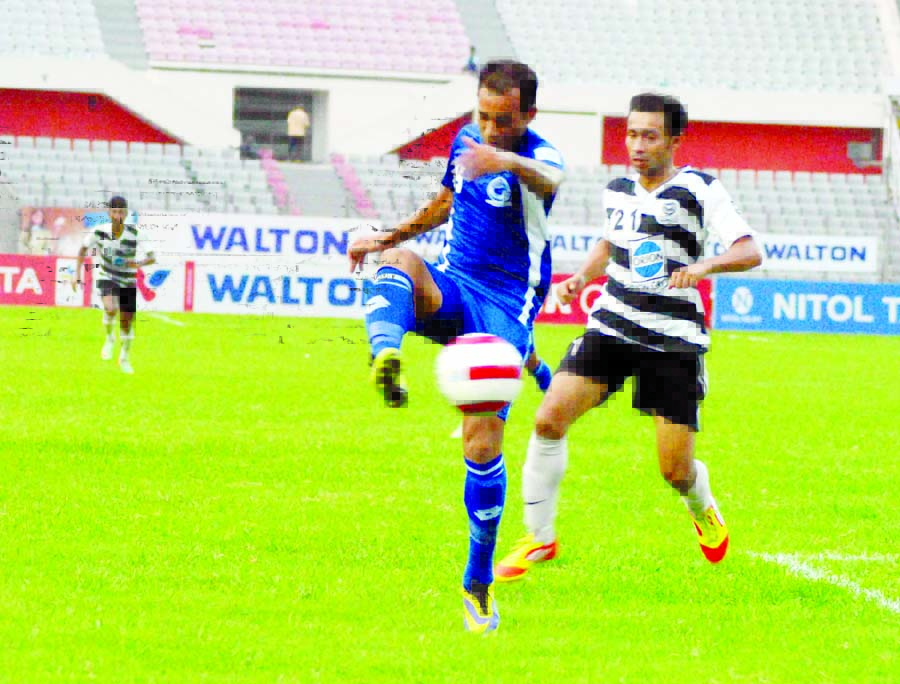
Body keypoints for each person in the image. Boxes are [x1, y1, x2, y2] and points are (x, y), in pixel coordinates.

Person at [494, 92, 763, 582]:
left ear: (675, 140)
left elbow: (750, 250)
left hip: (672, 339)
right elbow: (611, 240)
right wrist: (581, 277)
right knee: (550, 418)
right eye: (631, 133)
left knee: (675, 471)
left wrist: (704, 265)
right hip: (612, 324)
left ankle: (702, 508)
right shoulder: (617, 188)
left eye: (649, 136)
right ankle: (539, 536)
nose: (636, 145)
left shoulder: (700, 189)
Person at [348, 60, 565, 633]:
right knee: (396, 265)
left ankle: (477, 579)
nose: (491, 130)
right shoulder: (465, 140)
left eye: (505, 120)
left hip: (505, 308)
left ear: (529, 116)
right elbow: (446, 201)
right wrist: (387, 236)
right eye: (484, 117)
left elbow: (552, 180)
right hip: (455, 283)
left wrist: (507, 160)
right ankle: (384, 354)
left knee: (481, 437)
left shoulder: (540, 155)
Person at [72, 195, 157, 374]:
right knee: (110, 308)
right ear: (109, 213)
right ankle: (110, 338)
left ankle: (124, 358)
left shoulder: (136, 234)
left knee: (127, 321)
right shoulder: (99, 231)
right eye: (114, 211)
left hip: (128, 280)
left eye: (121, 212)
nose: (118, 215)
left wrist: (138, 264)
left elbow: (152, 257)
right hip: (107, 276)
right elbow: (82, 249)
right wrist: (76, 274)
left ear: (125, 214)